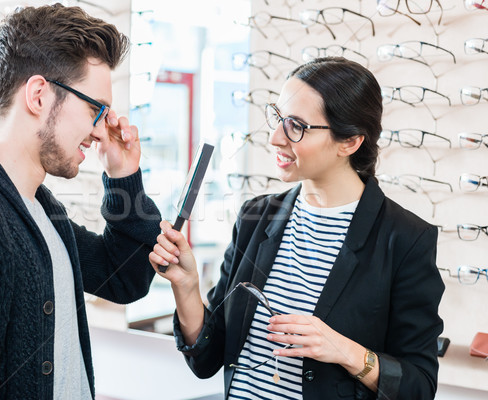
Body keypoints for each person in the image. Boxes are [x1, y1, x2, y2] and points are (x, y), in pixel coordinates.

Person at [0, 4, 161, 399]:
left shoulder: (39, 208)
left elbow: (126, 277)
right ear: (39, 95)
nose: (100, 130)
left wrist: (123, 175)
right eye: (95, 109)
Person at [150, 57, 445, 400]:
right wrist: (186, 288)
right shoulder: (255, 218)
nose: (276, 138)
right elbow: (208, 359)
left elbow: (419, 387)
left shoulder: (405, 240)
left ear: (349, 142)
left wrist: (345, 350)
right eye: (278, 117)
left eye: (296, 126)